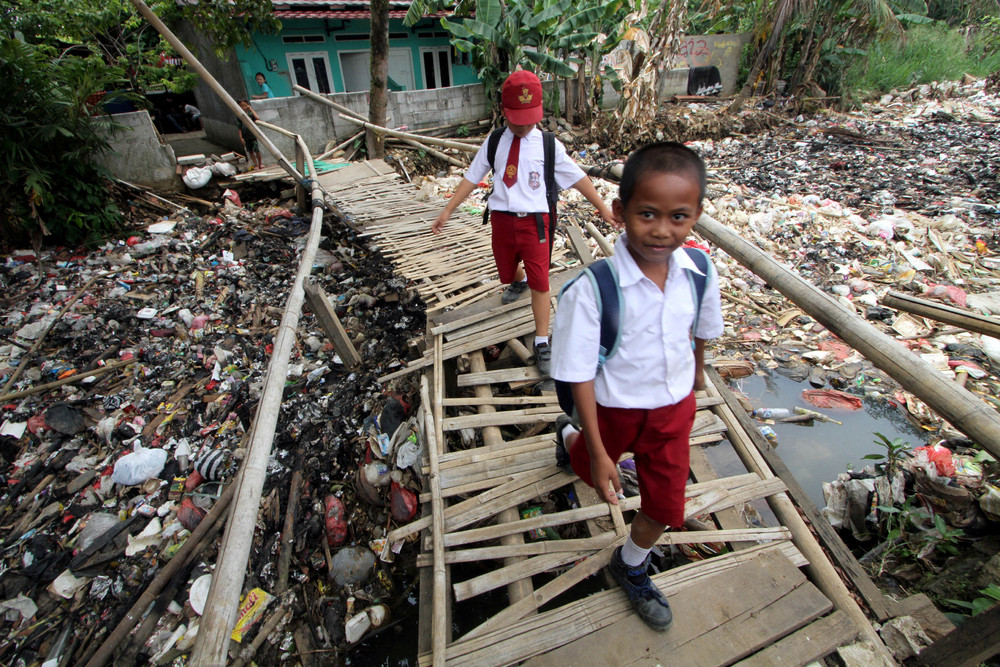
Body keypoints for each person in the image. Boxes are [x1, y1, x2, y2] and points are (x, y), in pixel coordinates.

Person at [550, 142, 723, 632]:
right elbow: (579, 372)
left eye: (678, 217)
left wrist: (697, 371)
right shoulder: (593, 289)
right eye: (647, 214)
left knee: (666, 506)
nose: (662, 230)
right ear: (621, 211)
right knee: (592, 466)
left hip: (673, 412)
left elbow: (703, 330)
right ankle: (569, 438)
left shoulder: (700, 272)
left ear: (696, 216)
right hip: (613, 410)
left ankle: (629, 563)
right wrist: (602, 449)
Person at [430, 70, 614, 376]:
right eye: (517, 119)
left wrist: (603, 208)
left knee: (541, 282)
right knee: (506, 272)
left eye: (529, 118)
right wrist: (448, 210)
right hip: (502, 220)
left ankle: (542, 342)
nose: (523, 125)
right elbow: (472, 177)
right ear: (505, 112)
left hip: (535, 223)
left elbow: (579, 178)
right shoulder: (495, 142)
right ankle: (518, 280)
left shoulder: (548, 145)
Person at [237, 99, 263, 170]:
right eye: (242, 106)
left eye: (245, 105)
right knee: (250, 151)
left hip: (253, 134)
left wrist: (251, 109)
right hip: (246, 136)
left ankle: (260, 163)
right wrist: (241, 137)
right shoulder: (239, 116)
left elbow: (257, 118)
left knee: (256, 149)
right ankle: (256, 164)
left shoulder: (250, 114)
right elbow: (239, 128)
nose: (244, 107)